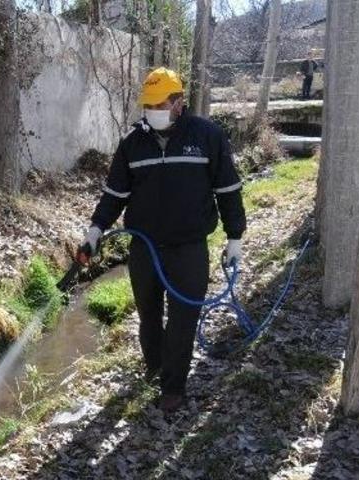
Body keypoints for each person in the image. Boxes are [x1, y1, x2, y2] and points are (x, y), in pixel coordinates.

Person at [77, 67, 246, 413]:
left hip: (189, 248)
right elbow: (114, 194)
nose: (152, 111)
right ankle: (155, 367)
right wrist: (96, 230)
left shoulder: (207, 136)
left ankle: (173, 387)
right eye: (148, 105)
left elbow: (228, 189)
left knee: (183, 319)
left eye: (159, 104)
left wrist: (235, 237)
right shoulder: (132, 144)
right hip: (145, 247)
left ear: (178, 102)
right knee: (149, 317)